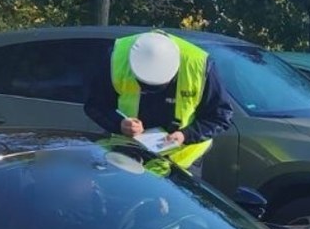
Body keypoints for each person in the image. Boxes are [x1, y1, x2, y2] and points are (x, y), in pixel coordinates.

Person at [84, 31, 234, 176]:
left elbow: (220, 116)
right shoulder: (117, 57)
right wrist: (119, 124)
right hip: (127, 158)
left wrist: (185, 135)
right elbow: (95, 105)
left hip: (181, 164)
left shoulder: (198, 65)